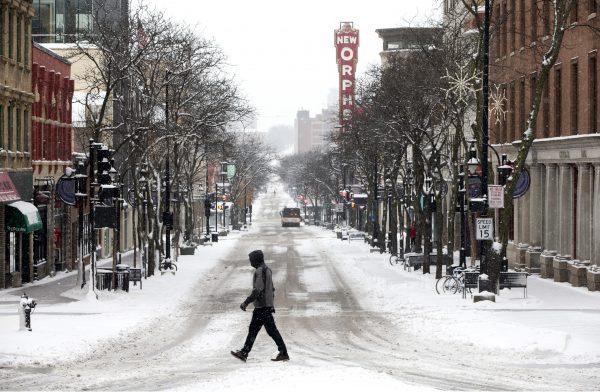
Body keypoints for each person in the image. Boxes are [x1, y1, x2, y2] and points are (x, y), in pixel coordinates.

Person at [231, 250, 289, 362]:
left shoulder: (260, 271)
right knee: (265, 330)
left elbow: (257, 290)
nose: (250, 262)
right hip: (265, 306)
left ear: (256, 259)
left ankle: (245, 352)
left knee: (265, 330)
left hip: (262, 307)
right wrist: (270, 304)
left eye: (251, 259)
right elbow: (271, 289)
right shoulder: (267, 270)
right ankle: (245, 352)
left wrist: (246, 302)